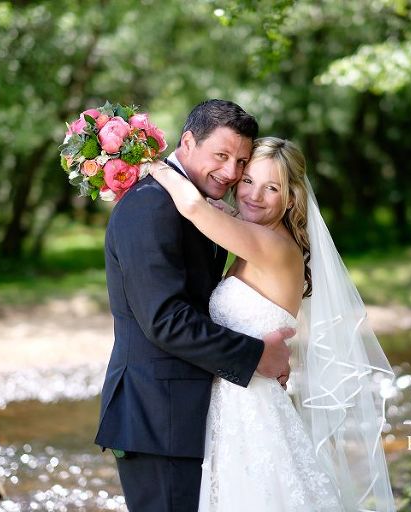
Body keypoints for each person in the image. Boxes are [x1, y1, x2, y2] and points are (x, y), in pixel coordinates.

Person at [150, 137, 397, 511]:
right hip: (236, 405)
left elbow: (194, 208)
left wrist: (148, 165)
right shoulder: (260, 237)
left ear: (291, 198)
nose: (254, 195)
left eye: (272, 187)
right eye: (248, 181)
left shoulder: (273, 248)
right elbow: (221, 212)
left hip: (251, 413)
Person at [95, 100, 295, 512]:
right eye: (220, 156)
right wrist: (258, 355)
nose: (231, 172)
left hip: (192, 414)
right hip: (156, 415)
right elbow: (166, 321)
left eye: (240, 161)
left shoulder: (199, 206)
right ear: (188, 141)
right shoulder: (152, 204)